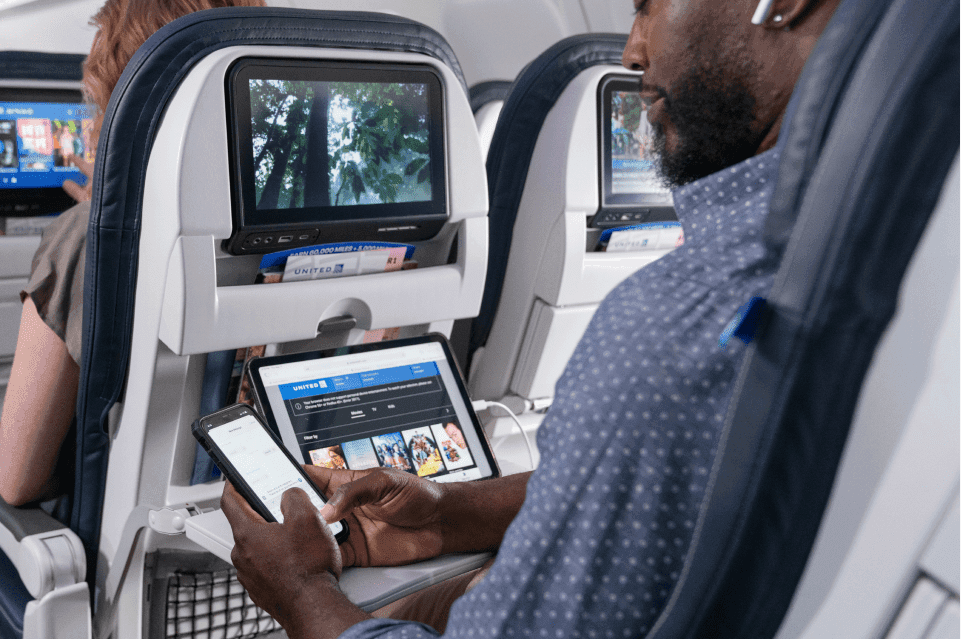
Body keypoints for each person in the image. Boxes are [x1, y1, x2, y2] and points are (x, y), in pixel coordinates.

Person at [219, 1, 845, 638]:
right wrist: (447, 515)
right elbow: (681, 492)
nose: (632, 50)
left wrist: (300, 594)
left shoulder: (679, 326)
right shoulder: (853, 258)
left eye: (651, 4)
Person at [0, 0, 267, 506]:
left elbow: (18, 480)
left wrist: (100, 220)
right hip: (279, 535)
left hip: (125, 558)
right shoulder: (292, 224)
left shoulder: (83, 238)